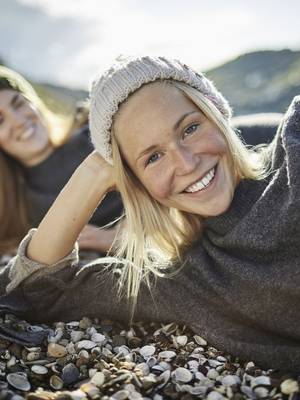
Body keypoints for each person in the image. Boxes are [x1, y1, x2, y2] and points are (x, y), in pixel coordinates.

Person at [0, 55, 298, 373]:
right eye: (153, 157)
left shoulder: (293, 143)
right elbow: (32, 291)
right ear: (133, 182)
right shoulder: (183, 281)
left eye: (191, 128)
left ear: (217, 113)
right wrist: (91, 177)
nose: (185, 163)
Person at [0, 66, 123, 255]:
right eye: (0, 121)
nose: (18, 121)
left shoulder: (95, 134)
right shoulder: (16, 208)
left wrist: (110, 239)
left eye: (18, 103)